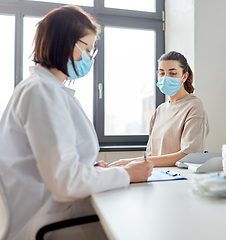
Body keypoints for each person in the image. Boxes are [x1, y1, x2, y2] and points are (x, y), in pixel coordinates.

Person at [0, 5, 153, 240]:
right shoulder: (41, 92)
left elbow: (53, 165)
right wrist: (127, 174)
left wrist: (89, 169)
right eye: (88, 48)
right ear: (67, 42)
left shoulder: (45, 89)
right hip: (47, 224)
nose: (89, 58)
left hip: (55, 212)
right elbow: (66, 183)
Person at [109, 51, 210, 167]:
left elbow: (189, 155)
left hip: (180, 179)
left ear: (184, 76)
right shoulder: (160, 110)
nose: (165, 78)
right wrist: (126, 163)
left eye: (172, 73)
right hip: (158, 176)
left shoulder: (194, 106)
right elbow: (152, 156)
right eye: (161, 73)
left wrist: (132, 162)